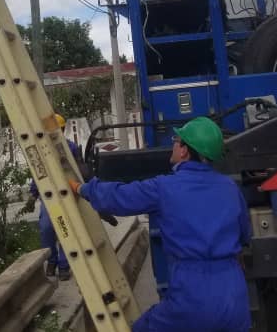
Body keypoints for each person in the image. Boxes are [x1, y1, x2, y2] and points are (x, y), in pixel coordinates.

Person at [70, 117, 251, 332]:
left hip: (192, 296)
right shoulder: (230, 188)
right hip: (235, 297)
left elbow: (120, 197)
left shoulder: (165, 188)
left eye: (176, 140)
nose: (173, 144)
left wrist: (83, 188)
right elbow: (244, 235)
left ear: (184, 151)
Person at [27, 113, 83, 280]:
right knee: (47, 228)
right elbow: (38, 173)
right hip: (48, 194)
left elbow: (78, 171)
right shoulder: (41, 150)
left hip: (67, 193)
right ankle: (51, 261)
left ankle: (64, 265)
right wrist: (33, 194)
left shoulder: (71, 148)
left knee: (65, 228)